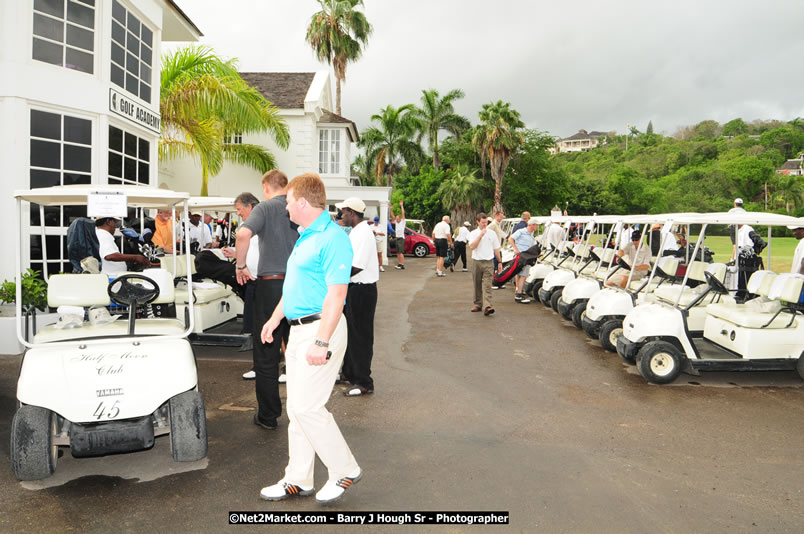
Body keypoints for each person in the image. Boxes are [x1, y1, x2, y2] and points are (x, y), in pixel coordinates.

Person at [259, 173, 362, 505]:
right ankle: (298, 479)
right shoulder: (305, 236)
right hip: (301, 329)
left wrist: (322, 341)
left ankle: (343, 469)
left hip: (321, 330)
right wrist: (275, 318)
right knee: (297, 409)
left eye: (288, 201)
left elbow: (336, 296)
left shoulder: (332, 238)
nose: (285, 206)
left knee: (306, 407)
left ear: (302, 202)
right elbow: (294, 287)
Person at [235, 170, 299, 431]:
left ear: (266, 188)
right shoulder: (297, 207)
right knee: (298, 349)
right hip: (297, 283)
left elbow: (242, 235)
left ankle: (269, 415)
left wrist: (240, 265)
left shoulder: (265, 207)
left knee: (266, 352)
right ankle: (302, 412)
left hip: (271, 284)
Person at [337, 197, 379, 397]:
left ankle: (363, 382)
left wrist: (335, 278)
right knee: (351, 334)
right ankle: (349, 373)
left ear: (351, 213)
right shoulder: (357, 231)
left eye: (343, 211)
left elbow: (357, 265)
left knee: (361, 337)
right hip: (355, 288)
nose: (341, 215)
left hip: (362, 290)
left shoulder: (363, 232)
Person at [469, 213, 502, 316]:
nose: (485, 224)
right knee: (477, 283)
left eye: (486, 222)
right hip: (476, 261)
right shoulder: (473, 233)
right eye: (483, 222)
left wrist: (500, 262)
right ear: (478, 222)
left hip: (489, 261)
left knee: (487, 285)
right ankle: (478, 304)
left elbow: (496, 248)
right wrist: (480, 235)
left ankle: (487, 306)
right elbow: (472, 247)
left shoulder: (492, 233)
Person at [508, 218, 539, 303]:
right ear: (533, 225)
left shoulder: (531, 234)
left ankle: (519, 291)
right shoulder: (521, 231)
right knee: (523, 275)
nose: (537, 227)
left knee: (521, 275)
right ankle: (519, 295)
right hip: (521, 256)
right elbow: (510, 239)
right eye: (537, 225)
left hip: (527, 257)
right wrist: (516, 249)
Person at [393, 200, 406, 269]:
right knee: (397, 253)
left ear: (400, 218)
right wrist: (391, 209)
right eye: (396, 219)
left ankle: (402, 265)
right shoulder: (396, 222)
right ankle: (399, 264)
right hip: (397, 238)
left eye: (398, 218)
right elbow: (392, 216)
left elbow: (403, 213)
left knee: (401, 252)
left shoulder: (402, 222)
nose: (397, 220)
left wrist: (401, 206)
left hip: (401, 238)